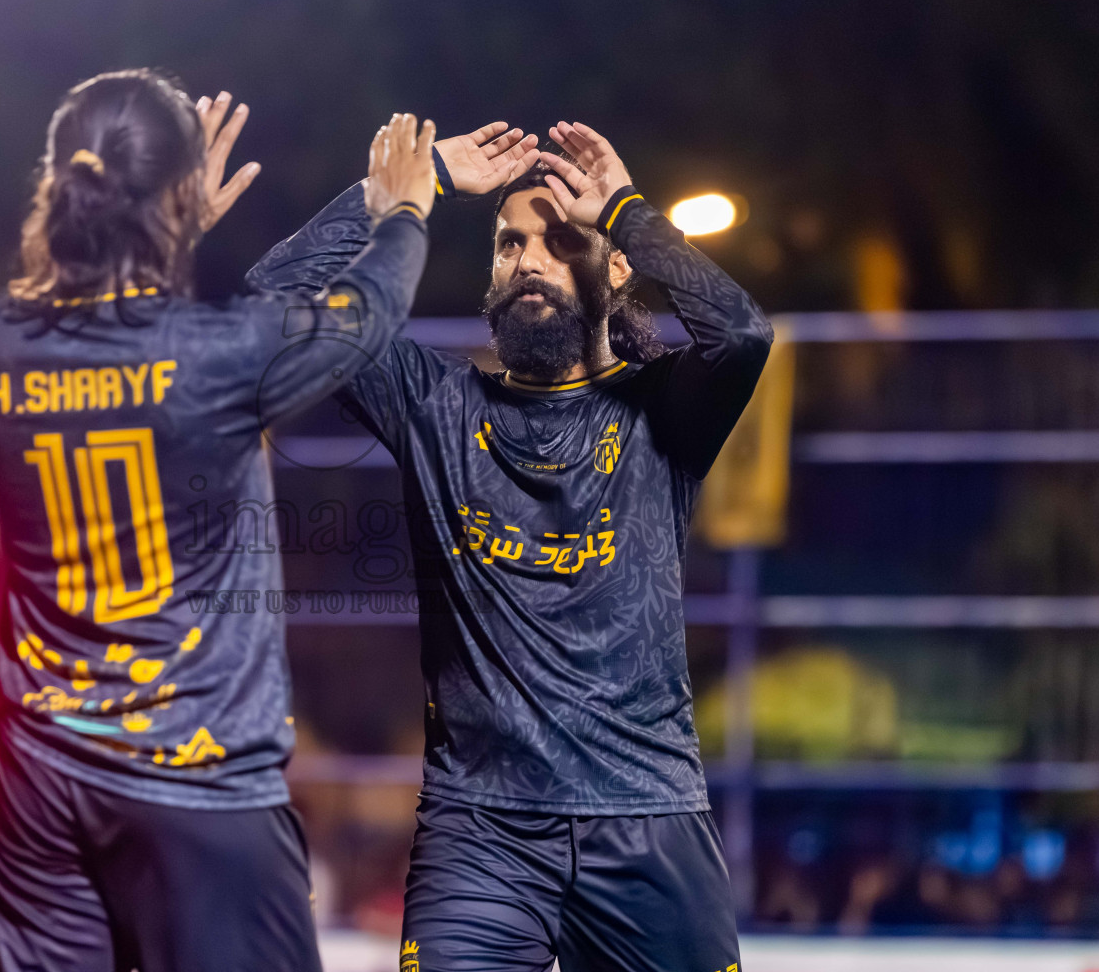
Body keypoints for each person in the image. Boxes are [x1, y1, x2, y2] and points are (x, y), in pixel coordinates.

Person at [0, 69, 443, 972]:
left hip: (40, 780)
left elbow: (97, 330)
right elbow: (368, 312)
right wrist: (403, 211)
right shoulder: (220, 357)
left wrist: (160, 226)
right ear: (176, 196)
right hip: (198, 780)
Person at [329, 121, 773, 971]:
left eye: (562, 241)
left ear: (615, 269)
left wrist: (628, 211)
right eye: (509, 244)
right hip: (480, 832)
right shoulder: (432, 405)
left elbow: (741, 334)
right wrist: (407, 188)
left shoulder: (661, 409)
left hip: (647, 817)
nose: (528, 260)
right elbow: (279, 303)